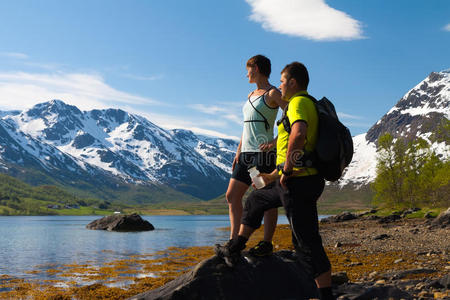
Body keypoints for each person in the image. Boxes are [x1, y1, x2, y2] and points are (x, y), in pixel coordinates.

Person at [216, 62, 334, 300]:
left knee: (306, 242)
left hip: (298, 182)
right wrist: (274, 175)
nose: (280, 85)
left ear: (292, 82)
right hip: (288, 180)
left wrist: (288, 169)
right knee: (257, 200)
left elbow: (299, 134)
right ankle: (235, 246)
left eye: (282, 81)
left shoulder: (299, 103)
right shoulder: (297, 103)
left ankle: (326, 295)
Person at [218, 55, 285, 256]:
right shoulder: (250, 94)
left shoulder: (273, 93)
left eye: (247, 69)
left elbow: (291, 117)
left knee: (265, 199)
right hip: (245, 154)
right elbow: (246, 126)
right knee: (232, 195)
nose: (246, 73)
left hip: (262, 155)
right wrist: (238, 151)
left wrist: (274, 142)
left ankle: (266, 242)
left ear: (255, 68)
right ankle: (234, 240)